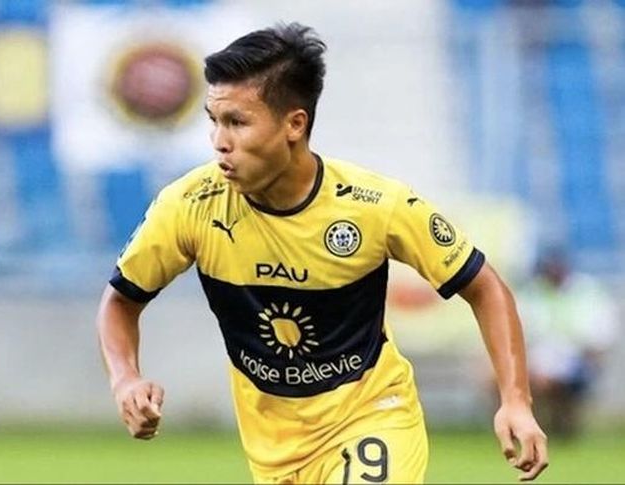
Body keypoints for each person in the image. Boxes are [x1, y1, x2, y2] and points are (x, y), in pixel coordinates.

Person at [96, 22, 548, 483]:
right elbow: (121, 301)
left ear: (295, 124)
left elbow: (486, 287)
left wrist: (515, 400)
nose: (219, 141)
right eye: (214, 121)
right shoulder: (189, 205)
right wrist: (125, 378)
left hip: (373, 418)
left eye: (237, 122)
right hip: (273, 450)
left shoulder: (375, 206)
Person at [520, 248, 618, 439]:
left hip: (578, 357)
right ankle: (537, 427)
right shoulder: (534, 293)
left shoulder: (587, 292)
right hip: (542, 356)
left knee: (550, 378)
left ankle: (555, 427)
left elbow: (601, 337)